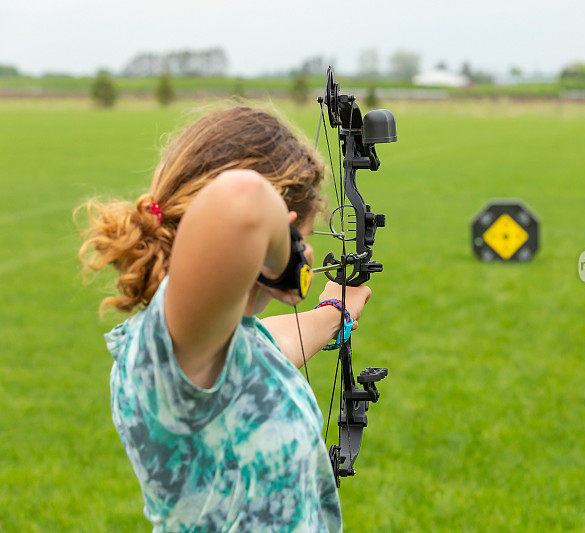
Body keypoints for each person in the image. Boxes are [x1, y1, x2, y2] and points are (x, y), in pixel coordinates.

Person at [77, 106, 370, 532]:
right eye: (299, 242)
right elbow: (242, 199)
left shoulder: (219, 343)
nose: (305, 260)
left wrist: (334, 312)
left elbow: (270, 346)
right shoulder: (168, 351)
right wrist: (285, 262)